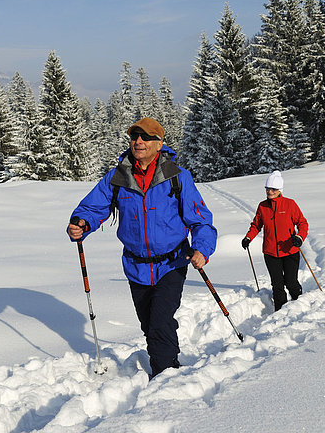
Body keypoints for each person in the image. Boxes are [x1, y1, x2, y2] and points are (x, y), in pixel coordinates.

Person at [67, 117, 217, 378]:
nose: (138, 141)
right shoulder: (118, 177)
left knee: (160, 322)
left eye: (146, 137)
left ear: (159, 144)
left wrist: (202, 249)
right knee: (149, 325)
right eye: (135, 136)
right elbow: (93, 208)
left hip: (172, 262)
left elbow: (201, 220)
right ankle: (167, 363)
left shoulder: (177, 177)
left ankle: (165, 376)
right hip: (135, 266)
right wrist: (81, 223)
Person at [241, 170, 308, 311]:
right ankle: (280, 311)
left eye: (273, 189)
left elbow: (302, 223)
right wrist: (248, 237)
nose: (269, 192)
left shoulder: (290, 204)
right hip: (271, 252)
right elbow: (256, 225)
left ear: (280, 190)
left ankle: (299, 306)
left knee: (291, 282)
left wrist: (299, 237)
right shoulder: (263, 206)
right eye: (267, 189)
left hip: (290, 250)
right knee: (277, 285)